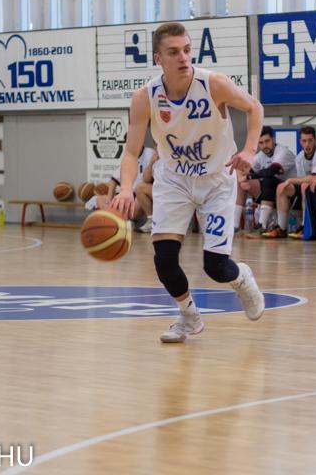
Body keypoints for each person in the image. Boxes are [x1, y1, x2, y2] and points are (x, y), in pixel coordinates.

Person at [111, 21, 266, 343]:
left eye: (186, 50)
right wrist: (126, 189)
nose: (183, 57)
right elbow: (131, 152)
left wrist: (250, 150)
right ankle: (189, 316)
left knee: (216, 267)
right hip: (174, 180)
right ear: (158, 59)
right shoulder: (145, 97)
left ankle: (242, 279)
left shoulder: (214, 84)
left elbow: (254, 107)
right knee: (164, 259)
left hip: (217, 179)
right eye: (173, 52)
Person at [262, 125, 316, 239]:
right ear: (300, 142)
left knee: (305, 185)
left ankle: (306, 227)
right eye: (304, 141)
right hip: (308, 190)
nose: (307, 144)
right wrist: (288, 183)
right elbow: (302, 180)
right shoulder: (299, 157)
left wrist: (290, 180)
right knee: (282, 187)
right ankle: (281, 228)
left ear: (315, 140)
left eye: (310, 140)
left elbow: (313, 178)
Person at [234, 126, 296, 234]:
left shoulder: (283, 152)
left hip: (290, 193)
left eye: (267, 141)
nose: (264, 146)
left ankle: (262, 224)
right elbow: (248, 172)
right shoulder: (260, 156)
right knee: (242, 183)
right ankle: (234, 225)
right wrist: (242, 180)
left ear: (273, 139)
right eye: (261, 143)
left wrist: (248, 177)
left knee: (268, 179)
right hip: (271, 192)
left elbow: (271, 171)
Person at [87, 147, 157, 230]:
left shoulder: (150, 154)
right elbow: (114, 180)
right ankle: (115, 219)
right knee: (101, 200)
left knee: (139, 190)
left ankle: (132, 219)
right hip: (129, 192)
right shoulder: (128, 156)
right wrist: (109, 199)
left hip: (143, 193)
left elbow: (147, 179)